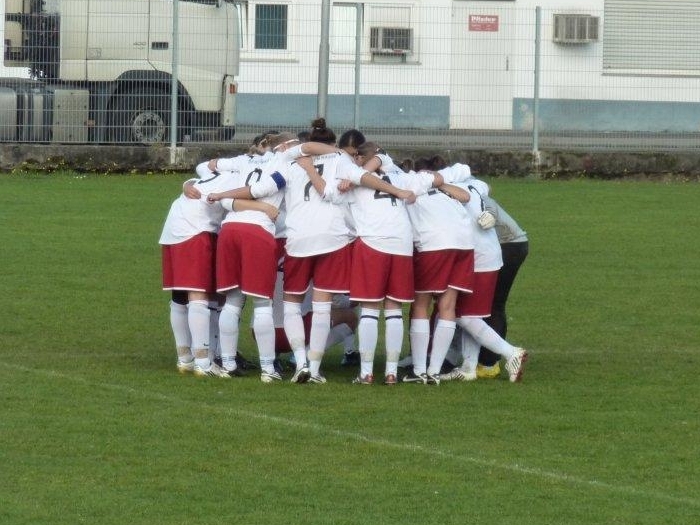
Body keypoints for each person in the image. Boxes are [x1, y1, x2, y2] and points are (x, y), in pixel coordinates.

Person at [159, 156, 277, 378]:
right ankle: (203, 362)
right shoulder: (240, 177)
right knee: (199, 294)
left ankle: (186, 358)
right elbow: (231, 200)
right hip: (196, 227)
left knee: (180, 295)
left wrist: (187, 183)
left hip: (175, 222)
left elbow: (202, 166)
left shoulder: (218, 170)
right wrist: (264, 207)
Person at [439, 175, 528, 383]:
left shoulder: (452, 190)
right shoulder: (468, 183)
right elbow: (487, 188)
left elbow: (484, 207)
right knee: (474, 311)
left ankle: (500, 357)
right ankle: (470, 366)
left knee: (476, 310)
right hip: (498, 247)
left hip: (497, 248)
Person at [476, 195, 529, 378]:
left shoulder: (461, 187)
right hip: (510, 242)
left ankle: (489, 363)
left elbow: (485, 202)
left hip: (508, 244)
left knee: (492, 304)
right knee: (490, 305)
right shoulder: (463, 185)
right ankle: (485, 361)